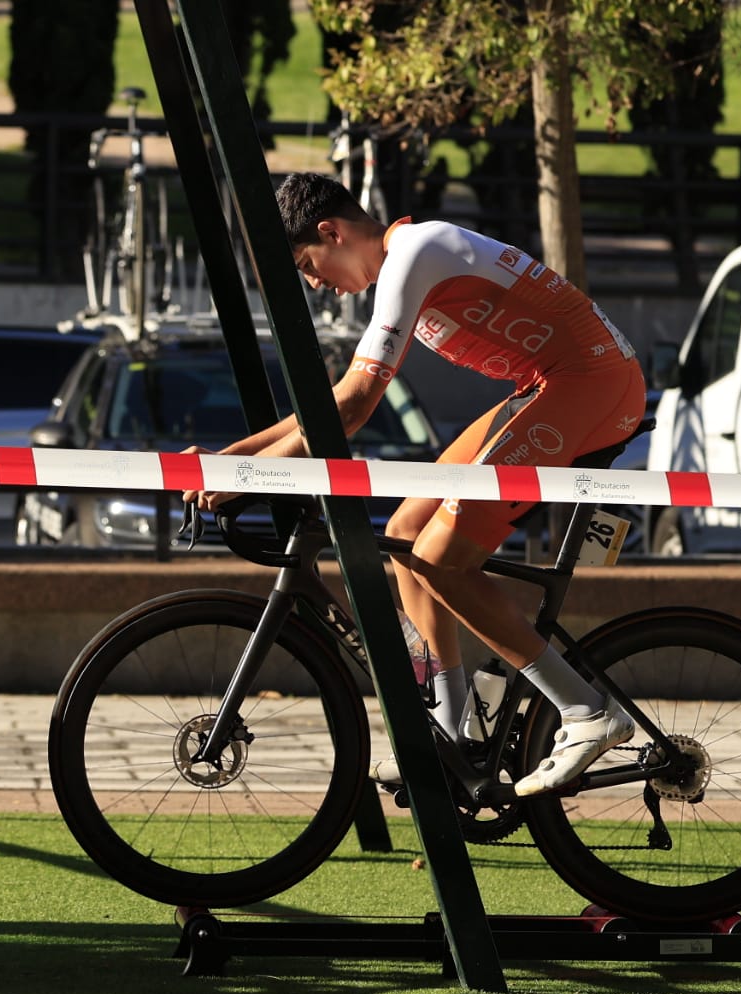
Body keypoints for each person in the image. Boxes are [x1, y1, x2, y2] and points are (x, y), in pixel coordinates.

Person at [185, 173, 648, 796]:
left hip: (589, 385)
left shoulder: (415, 254)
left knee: (442, 561)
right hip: (551, 386)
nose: (315, 285)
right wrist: (229, 459)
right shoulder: (409, 259)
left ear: (332, 232)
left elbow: (351, 408)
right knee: (406, 534)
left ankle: (587, 711)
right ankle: (451, 729)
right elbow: (330, 406)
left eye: (307, 266)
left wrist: (244, 477)